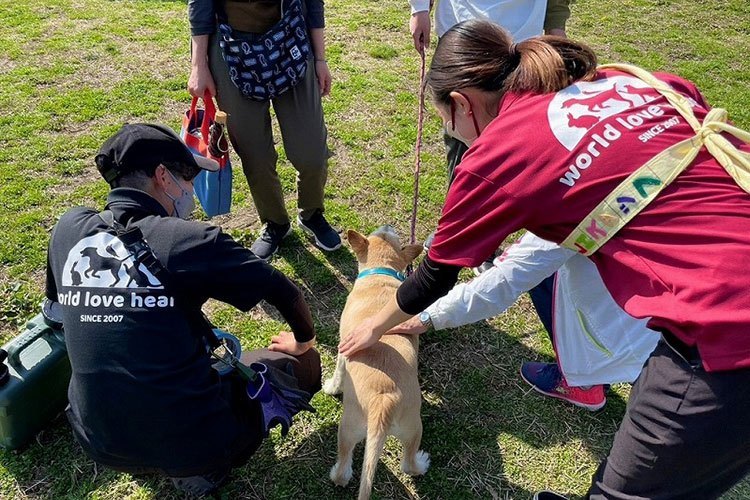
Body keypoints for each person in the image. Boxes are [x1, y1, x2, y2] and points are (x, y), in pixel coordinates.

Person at [339, 20, 750, 499]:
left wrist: (374, 327)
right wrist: (430, 321)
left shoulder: (499, 155)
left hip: (727, 326)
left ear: (460, 105)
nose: (452, 133)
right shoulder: (619, 81)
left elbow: (434, 275)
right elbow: (530, 259)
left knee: (633, 491)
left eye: (445, 122)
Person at [45, 123, 322, 496]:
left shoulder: (69, 228)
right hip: (192, 441)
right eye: (188, 177)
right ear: (164, 177)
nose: (191, 190)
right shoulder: (188, 240)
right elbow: (285, 293)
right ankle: (202, 466)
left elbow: (56, 313)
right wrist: (304, 343)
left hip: (97, 441)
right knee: (306, 365)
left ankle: (148, 453)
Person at [389, 231, 660, 411]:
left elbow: (508, 277)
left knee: (540, 274)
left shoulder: (573, 209)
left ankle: (584, 382)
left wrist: (427, 316)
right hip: (672, 312)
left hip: (647, 335)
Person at [188, 0, 341, 260]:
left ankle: (311, 213)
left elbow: (313, 3)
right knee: (254, 154)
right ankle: (275, 222)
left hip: (291, 38)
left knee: (311, 152)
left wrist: (321, 58)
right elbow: (200, 5)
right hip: (231, 46)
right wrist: (198, 65)